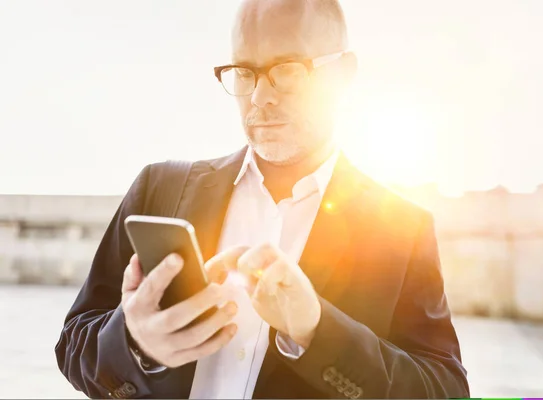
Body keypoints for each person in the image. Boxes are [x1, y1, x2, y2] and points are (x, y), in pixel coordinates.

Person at [55, 0, 470, 398]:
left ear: (343, 73)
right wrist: (134, 342)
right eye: (243, 72)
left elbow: (445, 390)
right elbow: (73, 346)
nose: (259, 98)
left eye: (287, 70)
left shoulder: (402, 228)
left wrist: (316, 330)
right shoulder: (158, 188)